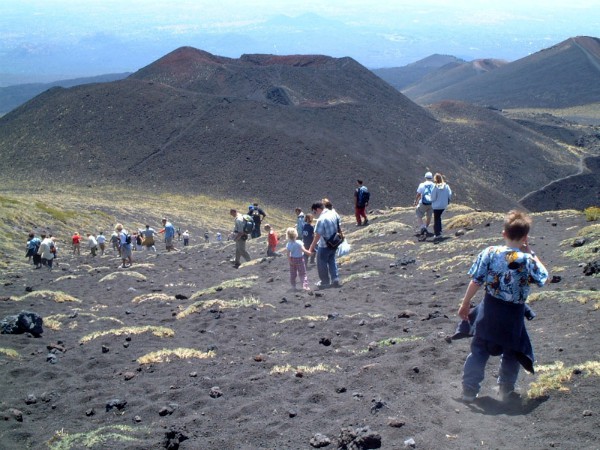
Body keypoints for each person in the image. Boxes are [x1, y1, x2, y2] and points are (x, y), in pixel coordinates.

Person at [457, 210, 548, 403]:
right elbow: (543, 277)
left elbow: (476, 280)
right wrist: (530, 252)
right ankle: (505, 390)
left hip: (489, 310)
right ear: (525, 237)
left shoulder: (490, 253)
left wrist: (465, 304)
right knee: (512, 352)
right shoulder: (527, 260)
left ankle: (468, 391)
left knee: (479, 350)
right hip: (513, 316)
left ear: (504, 234)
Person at [308, 201, 342, 288]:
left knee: (321, 262)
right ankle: (335, 279)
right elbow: (339, 225)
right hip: (335, 242)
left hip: (324, 245)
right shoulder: (333, 213)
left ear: (318, 209)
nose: (315, 214)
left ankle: (325, 282)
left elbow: (317, 235)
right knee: (332, 260)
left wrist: (311, 248)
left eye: (314, 212)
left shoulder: (321, 219)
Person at [430, 173, 452, 241]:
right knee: (439, 218)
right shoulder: (447, 186)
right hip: (444, 205)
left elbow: (433, 198)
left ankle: (437, 234)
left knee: (437, 219)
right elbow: (450, 194)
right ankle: (440, 232)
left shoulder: (435, 187)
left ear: (435, 179)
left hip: (436, 206)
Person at [414, 172, 435, 237]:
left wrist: (416, 201)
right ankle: (426, 227)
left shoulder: (422, 185)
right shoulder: (434, 185)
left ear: (425, 177)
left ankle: (422, 227)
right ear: (431, 178)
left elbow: (418, 194)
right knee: (429, 216)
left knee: (419, 214)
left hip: (423, 203)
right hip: (431, 203)